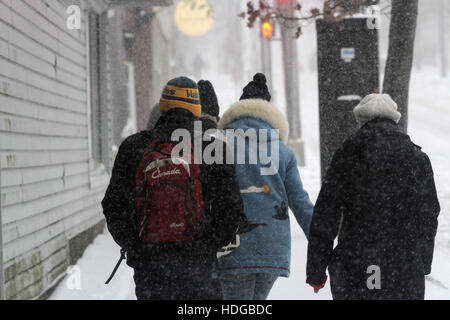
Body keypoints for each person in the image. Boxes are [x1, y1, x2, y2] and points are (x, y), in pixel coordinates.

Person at [102, 76, 244, 300]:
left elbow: (113, 205)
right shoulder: (212, 148)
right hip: (200, 271)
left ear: (163, 105)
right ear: (196, 108)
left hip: (151, 271)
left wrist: (136, 247)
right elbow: (231, 209)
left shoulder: (135, 146)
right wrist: (208, 245)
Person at [306, 93, 440, 300]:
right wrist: (421, 262)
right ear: (394, 120)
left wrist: (316, 269)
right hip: (403, 268)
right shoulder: (417, 159)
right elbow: (428, 215)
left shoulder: (347, 155)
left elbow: (326, 213)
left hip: (354, 264)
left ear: (361, 120)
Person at [216, 73, 314, 300]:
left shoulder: (220, 147)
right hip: (272, 249)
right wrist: (322, 243)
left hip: (233, 248)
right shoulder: (284, 153)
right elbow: (301, 203)